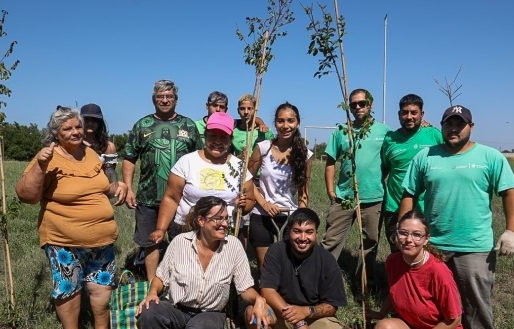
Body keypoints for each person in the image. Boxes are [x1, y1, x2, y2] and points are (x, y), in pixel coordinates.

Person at [399, 105, 514, 329]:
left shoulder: (490, 157)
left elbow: (510, 192)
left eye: (459, 124)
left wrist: (511, 230)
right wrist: (405, 228)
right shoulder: (426, 156)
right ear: (440, 126)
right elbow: (409, 192)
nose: (453, 129)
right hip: (433, 244)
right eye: (448, 124)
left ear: (471, 126)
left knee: (476, 298)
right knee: (429, 300)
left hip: (474, 245)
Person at [15, 106, 127, 329]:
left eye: (78, 126)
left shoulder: (90, 154)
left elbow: (103, 186)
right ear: (56, 133)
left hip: (101, 238)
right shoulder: (48, 157)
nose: (76, 131)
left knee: (102, 287)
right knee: (69, 287)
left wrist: (117, 187)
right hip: (63, 239)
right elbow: (26, 195)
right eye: (68, 128)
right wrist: (40, 167)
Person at [137, 196, 271, 329]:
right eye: (218, 219)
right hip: (178, 308)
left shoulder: (233, 246)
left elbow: (245, 288)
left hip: (210, 312)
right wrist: (152, 292)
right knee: (148, 313)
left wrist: (259, 300)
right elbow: (161, 277)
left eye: (227, 218)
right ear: (201, 221)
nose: (225, 223)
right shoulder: (180, 243)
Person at [366, 211, 467, 329]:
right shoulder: (393, 261)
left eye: (416, 234)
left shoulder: (439, 271)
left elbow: (454, 319)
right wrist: (381, 313)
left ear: (426, 239)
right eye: (403, 233)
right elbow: (395, 289)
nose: (408, 240)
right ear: (396, 234)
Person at [245, 208, 349, 329]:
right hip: (280, 315)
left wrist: (306, 313)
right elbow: (267, 290)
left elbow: (332, 306)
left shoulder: (326, 260)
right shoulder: (277, 250)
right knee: (252, 315)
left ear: (316, 233)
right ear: (289, 232)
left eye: (309, 232)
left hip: (312, 317)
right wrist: (299, 321)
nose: (302, 238)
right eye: (297, 231)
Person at [122, 80, 201, 280]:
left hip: (181, 198)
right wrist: (129, 188)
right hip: (149, 196)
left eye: (169, 97)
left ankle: (180, 282)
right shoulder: (142, 125)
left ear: (176, 99)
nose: (164, 100)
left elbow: (199, 158)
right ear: (153, 99)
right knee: (150, 243)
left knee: (183, 242)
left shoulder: (188, 126)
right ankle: (151, 284)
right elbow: (130, 157)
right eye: (160, 97)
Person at [150, 111, 254, 243]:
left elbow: (250, 200)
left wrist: (244, 205)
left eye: (223, 137)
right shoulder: (186, 161)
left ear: (230, 139)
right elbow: (171, 198)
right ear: (205, 136)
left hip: (224, 231)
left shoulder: (239, 167)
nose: (217, 141)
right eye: (212, 136)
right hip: (187, 229)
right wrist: (161, 228)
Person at [322, 88, 389, 273]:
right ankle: (322, 278)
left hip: (373, 197)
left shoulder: (384, 131)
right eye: (353, 104)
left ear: (371, 104)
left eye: (362, 103)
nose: (358, 107)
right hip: (344, 197)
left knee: (370, 242)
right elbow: (330, 162)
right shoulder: (342, 131)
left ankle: (364, 284)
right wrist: (330, 191)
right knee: (330, 240)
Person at [248, 102, 312, 269]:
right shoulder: (263, 148)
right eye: (280, 121)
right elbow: (247, 180)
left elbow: (304, 192)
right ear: (275, 123)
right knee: (266, 266)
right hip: (262, 215)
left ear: (297, 123)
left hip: (289, 216)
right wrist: (264, 203)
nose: (285, 126)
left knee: (288, 266)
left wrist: (301, 218)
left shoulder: (305, 153)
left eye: (290, 121)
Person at [381, 94, 443, 253]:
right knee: (398, 251)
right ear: (399, 114)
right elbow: (385, 168)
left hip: (426, 207)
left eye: (414, 112)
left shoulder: (434, 135)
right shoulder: (390, 139)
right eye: (404, 112)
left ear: (422, 114)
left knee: (427, 253)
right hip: (394, 207)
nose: (409, 117)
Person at [80, 103, 126, 204]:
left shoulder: (109, 147)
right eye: (87, 119)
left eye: (94, 120)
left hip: (100, 194)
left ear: (100, 123)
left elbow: (110, 172)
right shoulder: (73, 144)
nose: (90, 123)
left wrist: (117, 189)